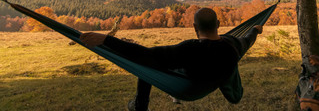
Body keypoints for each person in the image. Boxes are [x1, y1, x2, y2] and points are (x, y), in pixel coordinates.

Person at [80, 8, 263, 111]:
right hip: (207, 84)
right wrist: (255, 29)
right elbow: (249, 39)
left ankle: (139, 106)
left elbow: (146, 55)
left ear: (194, 27)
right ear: (218, 25)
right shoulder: (234, 45)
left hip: (187, 87)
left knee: (147, 66)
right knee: (150, 62)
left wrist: (107, 39)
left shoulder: (189, 49)